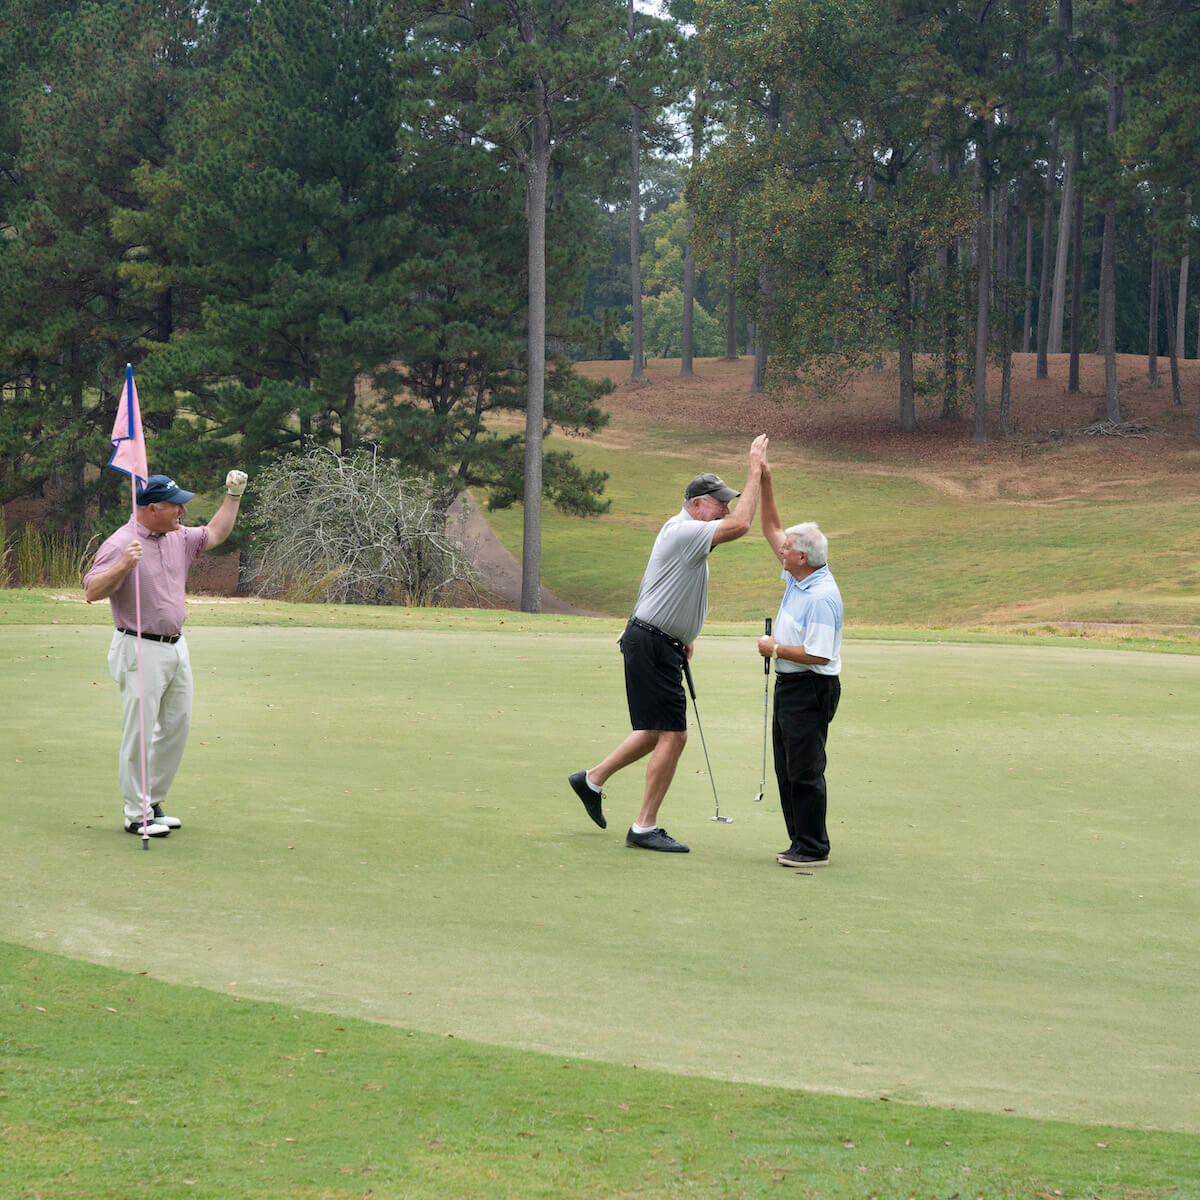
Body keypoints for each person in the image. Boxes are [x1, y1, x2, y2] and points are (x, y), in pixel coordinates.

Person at [569, 435, 769, 853]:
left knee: (653, 731)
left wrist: (683, 638)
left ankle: (591, 779)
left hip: (658, 642)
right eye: (718, 502)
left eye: (726, 501)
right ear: (697, 504)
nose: (725, 509)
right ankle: (644, 827)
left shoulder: (685, 534)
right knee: (674, 735)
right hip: (651, 642)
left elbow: (657, 586)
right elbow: (743, 526)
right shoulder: (685, 532)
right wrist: (754, 471)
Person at [83, 471, 248, 837]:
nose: (183, 511)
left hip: (176, 647)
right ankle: (135, 814)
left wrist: (233, 496)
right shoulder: (121, 543)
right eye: (176, 505)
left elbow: (216, 533)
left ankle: (152, 802)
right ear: (153, 508)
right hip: (138, 646)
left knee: (175, 727)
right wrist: (124, 565)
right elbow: (92, 591)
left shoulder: (177, 537)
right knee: (139, 731)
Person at [755, 460, 843, 868]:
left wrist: (774, 649)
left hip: (811, 687)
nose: (781, 551)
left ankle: (813, 848)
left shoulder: (822, 596)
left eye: (788, 550)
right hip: (792, 687)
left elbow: (818, 654)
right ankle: (799, 841)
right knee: (787, 767)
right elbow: (772, 529)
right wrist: (766, 481)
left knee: (805, 769)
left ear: (802, 556)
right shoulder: (799, 575)